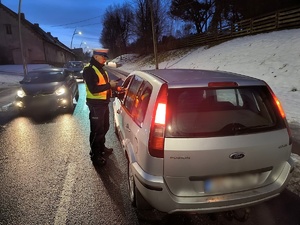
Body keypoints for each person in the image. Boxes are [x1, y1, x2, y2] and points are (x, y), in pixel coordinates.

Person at [83, 49, 119, 166]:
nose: (105, 59)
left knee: (104, 127)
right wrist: (109, 85)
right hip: (95, 105)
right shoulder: (89, 69)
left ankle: (101, 148)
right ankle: (95, 155)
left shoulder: (100, 68)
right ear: (96, 56)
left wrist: (114, 89)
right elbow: (93, 89)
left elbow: (104, 86)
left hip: (103, 103)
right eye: (103, 57)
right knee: (96, 131)